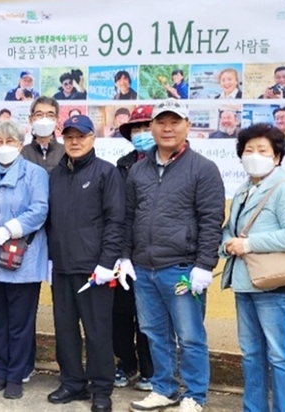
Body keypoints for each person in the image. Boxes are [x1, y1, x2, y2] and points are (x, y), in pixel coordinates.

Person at [122, 99, 224, 412]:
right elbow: (128, 217)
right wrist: (125, 256)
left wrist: (204, 265)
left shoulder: (203, 169)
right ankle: (164, 388)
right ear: (151, 127)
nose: (167, 129)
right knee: (154, 333)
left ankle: (195, 395)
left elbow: (211, 220)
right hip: (144, 268)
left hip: (181, 269)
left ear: (187, 126)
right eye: (161, 122)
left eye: (175, 122)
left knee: (190, 336)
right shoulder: (138, 170)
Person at [220, 123, 285, 412]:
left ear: (277, 157)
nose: (254, 155)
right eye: (248, 150)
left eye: (262, 150)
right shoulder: (246, 187)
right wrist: (226, 243)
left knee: (281, 357)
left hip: (275, 286)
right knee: (251, 354)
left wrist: (248, 244)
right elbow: (231, 228)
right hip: (246, 283)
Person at [46, 114, 125, 412]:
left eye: (81, 136)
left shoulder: (106, 173)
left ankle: (101, 388)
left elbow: (116, 221)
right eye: (69, 137)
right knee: (64, 329)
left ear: (93, 138)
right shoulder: (55, 174)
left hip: (95, 271)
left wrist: (107, 262)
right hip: (63, 267)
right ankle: (72, 383)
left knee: (97, 331)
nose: (74, 142)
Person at [0, 119, 48, 400]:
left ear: (20, 143)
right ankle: (0, 370)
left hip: (21, 258)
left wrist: (10, 229)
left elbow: (39, 210)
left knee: (20, 322)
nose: (3, 147)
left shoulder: (35, 174)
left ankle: (16, 375)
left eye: (9, 142)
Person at [111, 104, 155, 392]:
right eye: (135, 129)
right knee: (121, 313)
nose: (141, 134)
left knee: (150, 317)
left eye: (145, 127)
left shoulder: (172, 163)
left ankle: (150, 370)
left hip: (154, 252)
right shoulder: (123, 164)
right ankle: (126, 364)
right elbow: (118, 209)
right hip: (124, 251)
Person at [20, 97, 65, 173]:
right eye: (39, 114)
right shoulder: (22, 153)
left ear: (56, 120)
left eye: (50, 115)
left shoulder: (65, 152)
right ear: (31, 119)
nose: (44, 119)